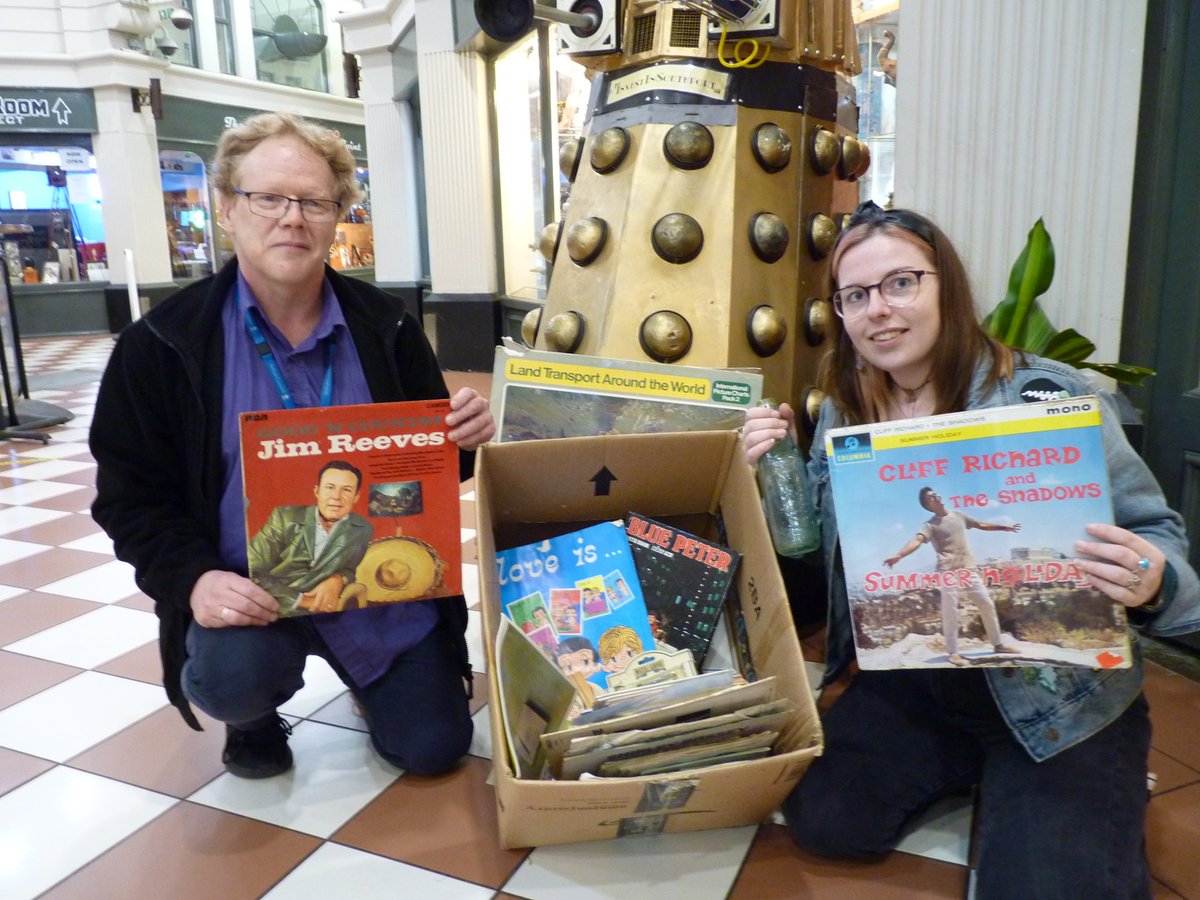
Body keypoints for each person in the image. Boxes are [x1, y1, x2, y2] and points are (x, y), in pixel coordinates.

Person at [742, 201, 1200, 898]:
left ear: (945, 285)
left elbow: (1159, 537)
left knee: (1045, 886)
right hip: (922, 683)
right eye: (855, 296)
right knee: (826, 820)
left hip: (1058, 693)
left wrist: (1153, 581)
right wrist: (767, 475)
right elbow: (821, 555)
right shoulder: (844, 407)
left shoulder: (1046, 393)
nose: (879, 311)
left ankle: (1086, 775)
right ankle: (982, 765)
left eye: (902, 283)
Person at [90, 112, 495, 781]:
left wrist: (465, 442)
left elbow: (431, 473)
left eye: (314, 201)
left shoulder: (387, 326)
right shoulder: (162, 344)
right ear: (226, 209)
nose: (292, 218)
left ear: (339, 216)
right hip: (252, 593)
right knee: (229, 679)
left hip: (376, 588)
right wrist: (194, 581)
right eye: (268, 198)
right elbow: (128, 498)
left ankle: (375, 684)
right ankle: (253, 718)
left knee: (434, 749)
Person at [883, 486, 1022, 664]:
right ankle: (953, 653)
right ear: (928, 505)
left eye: (936, 494)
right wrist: (899, 555)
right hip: (947, 571)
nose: (937, 496)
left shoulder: (958, 515)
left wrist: (1004, 528)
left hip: (968, 568)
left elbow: (980, 524)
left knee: (986, 603)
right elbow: (917, 540)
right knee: (951, 611)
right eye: (932, 497)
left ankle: (998, 644)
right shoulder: (929, 525)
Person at [248, 460, 373, 615]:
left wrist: (338, 579)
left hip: (326, 614)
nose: (336, 497)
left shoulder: (362, 528)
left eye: (346, 490)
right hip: (274, 611)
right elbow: (253, 571)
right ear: (317, 491)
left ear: (356, 496)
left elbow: (349, 569)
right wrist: (302, 601)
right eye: (330, 487)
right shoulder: (283, 518)